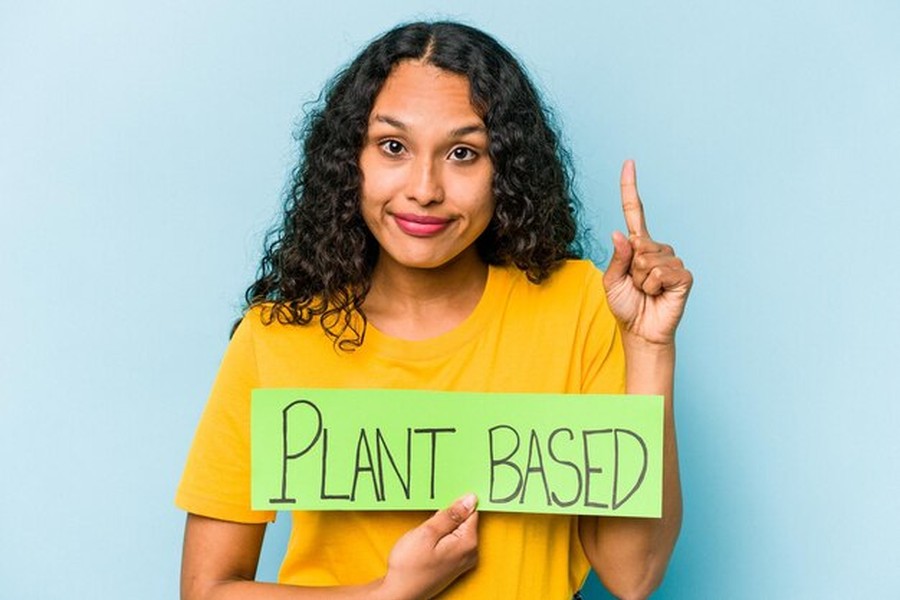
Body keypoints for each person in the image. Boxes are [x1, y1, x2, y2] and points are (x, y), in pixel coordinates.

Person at [176, 20, 691, 600]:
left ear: (507, 173)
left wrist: (649, 350)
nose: (425, 188)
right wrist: (387, 594)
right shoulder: (275, 336)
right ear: (351, 159)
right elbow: (207, 590)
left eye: (464, 153)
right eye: (393, 147)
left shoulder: (580, 305)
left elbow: (633, 575)